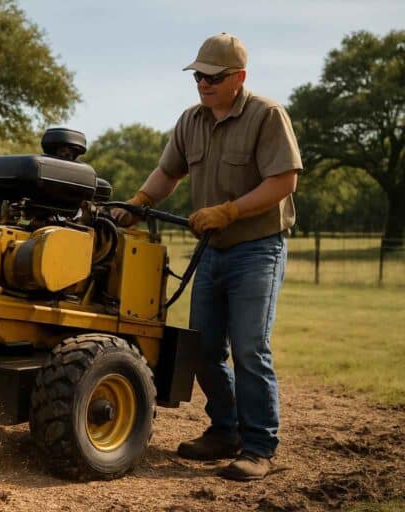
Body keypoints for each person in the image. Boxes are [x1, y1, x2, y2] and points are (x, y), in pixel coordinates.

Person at [112, 33, 302, 481]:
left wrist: (229, 211)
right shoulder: (191, 121)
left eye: (213, 77)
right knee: (204, 348)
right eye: (198, 76)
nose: (203, 83)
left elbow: (284, 182)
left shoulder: (266, 115)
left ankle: (259, 448)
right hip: (213, 251)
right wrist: (137, 203)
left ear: (239, 77)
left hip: (258, 248)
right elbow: (168, 172)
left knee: (250, 347)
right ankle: (225, 430)